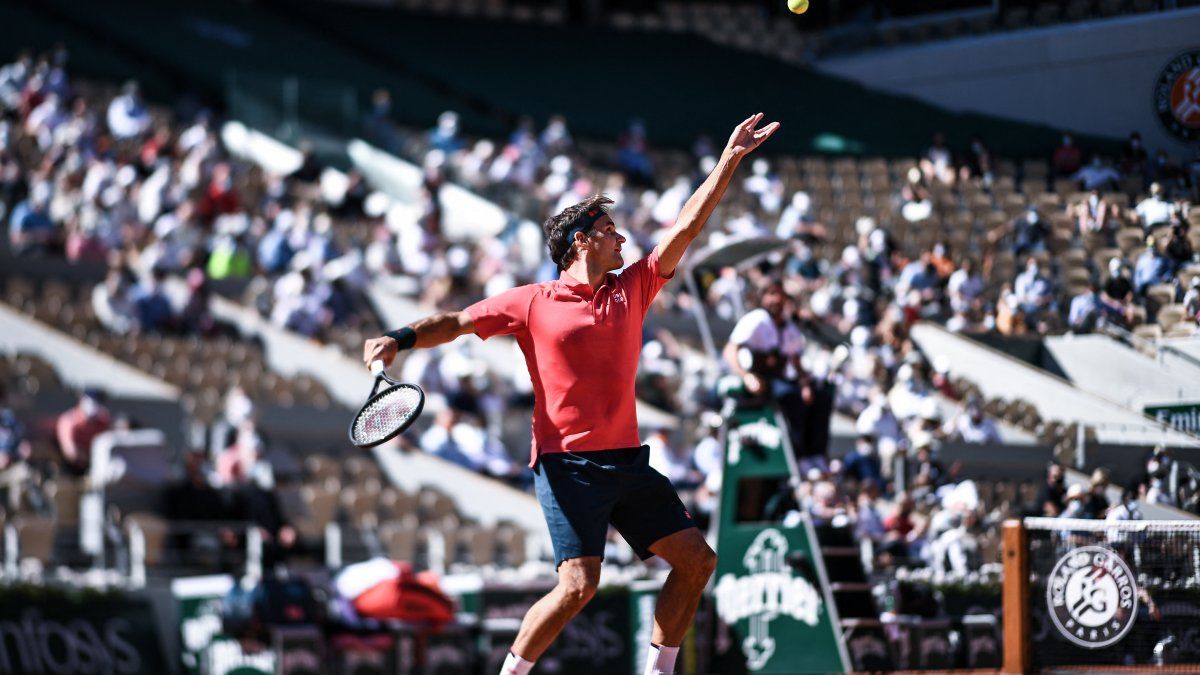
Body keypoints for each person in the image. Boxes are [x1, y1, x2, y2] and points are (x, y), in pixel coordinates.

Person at [362, 113, 780, 675]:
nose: (623, 237)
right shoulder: (531, 301)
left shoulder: (634, 285)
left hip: (627, 462)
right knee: (580, 584)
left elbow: (687, 227)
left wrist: (728, 161)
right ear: (581, 240)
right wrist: (399, 337)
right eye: (610, 230)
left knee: (696, 561)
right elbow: (457, 321)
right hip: (567, 466)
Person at [55, 388, 112, 476]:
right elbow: (71, 452)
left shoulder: (103, 420)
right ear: (82, 399)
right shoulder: (69, 421)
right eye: (92, 401)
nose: (95, 406)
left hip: (97, 467)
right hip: (71, 469)